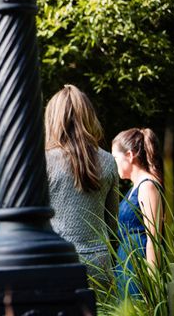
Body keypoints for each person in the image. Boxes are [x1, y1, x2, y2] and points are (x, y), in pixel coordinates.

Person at [44, 85, 119, 286]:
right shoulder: (109, 161)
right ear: (88, 117)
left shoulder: (44, 161)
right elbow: (112, 223)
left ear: (52, 119)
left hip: (56, 263)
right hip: (100, 265)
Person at [112, 127, 164, 298]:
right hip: (128, 267)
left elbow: (153, 239)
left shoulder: (148, 185)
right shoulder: (135, 187)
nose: (114, 163)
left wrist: (153, 286)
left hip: (140, 269)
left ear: (129, 155)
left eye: (115, 158)